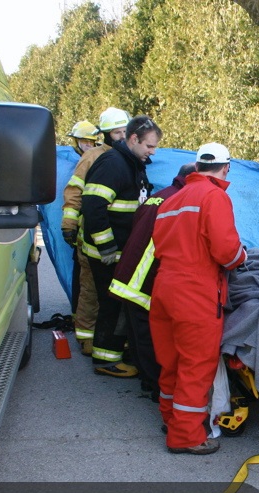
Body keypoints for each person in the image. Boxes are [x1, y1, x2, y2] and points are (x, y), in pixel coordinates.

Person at [149, 143, 247, 455]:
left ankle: (171, 419)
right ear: (226, 167)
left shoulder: (171, 200)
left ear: (197, 166)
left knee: (170, 362)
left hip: (164, 286)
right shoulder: (214, 196)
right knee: (196, 366)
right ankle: (186, 436)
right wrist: (242, 256)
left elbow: (158, 243)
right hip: (196, 291)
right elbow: (226, 252)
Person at [81, 115, 162, 377]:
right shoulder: (113, 164)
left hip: (119, 250)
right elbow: (93, 206)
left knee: (116, 303)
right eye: (149, 146)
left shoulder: (131, 163)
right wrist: (106, 247)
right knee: (112, 304)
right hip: (107, 252)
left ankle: (112, 351)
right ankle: (106, 360)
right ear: (133, 139)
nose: (153, 152)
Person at [109, 162, 196, 401]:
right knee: (149, 336)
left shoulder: (158, 196)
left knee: (137, 334)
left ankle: (147, 380)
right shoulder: (180, 201)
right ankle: (156, 386)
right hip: (144, 276)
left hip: (128, 271)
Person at [61, 109, 130, 356]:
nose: (122, 137)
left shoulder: (128, 157)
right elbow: (75, 191)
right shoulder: (93, 157)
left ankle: (109, 337)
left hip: (119, 239)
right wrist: (69, 225)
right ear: (106, 134)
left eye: (125, 131)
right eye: (117, 132)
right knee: (90, 290)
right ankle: (87, 337)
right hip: (92, 237)